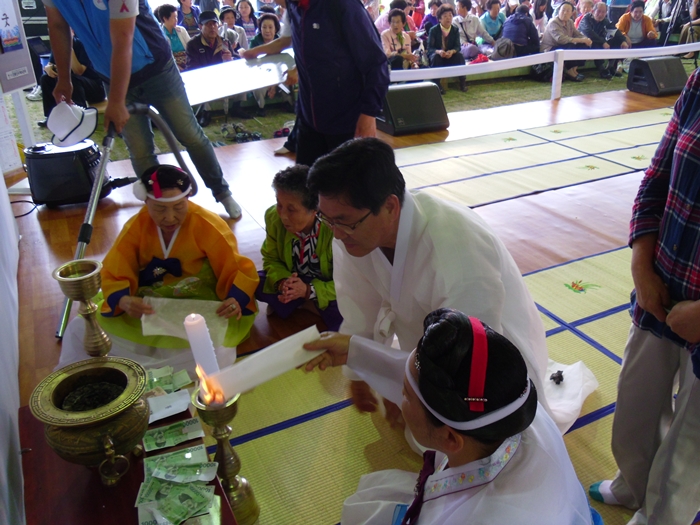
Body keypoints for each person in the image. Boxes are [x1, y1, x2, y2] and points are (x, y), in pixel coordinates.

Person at [305, 138, 585, 436]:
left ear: (389, 206)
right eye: (327, 219)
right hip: (427, 342)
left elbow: (472, 351)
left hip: (488, 353)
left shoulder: (456, 244)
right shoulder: (352, 234)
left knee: (452, 437)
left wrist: (385, 372)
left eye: (344, 222)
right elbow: (358, 308)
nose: (336, 234)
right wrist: (359, 373)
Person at [303, 309, 595, 525]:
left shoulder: (487, 517)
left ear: (451, 438)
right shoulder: (508, 404)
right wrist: (353, 350)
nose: (396, 397)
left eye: (404, 395)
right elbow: (423, 383)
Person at [589, 69, 700, 525]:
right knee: (635, 407)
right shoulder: (698, 85)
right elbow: (657, 176)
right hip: (661, 287)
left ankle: (662, 518)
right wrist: (641, 264)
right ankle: (633, 485)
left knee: (689, 449)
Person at [43, 0, 244, 219]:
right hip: (110, 74)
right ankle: (159, 205)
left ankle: (221, 192)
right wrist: (64, 79)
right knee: (139, 149)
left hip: (157, 69)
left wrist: (116, 101)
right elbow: (58, 26)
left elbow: (123, 39)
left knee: (189, 135)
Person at [57, 165, 259, 374]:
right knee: (80, 330)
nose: (170, 217)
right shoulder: (137, 226)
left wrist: (235, 299)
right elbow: (116, 268)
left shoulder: (208, 224)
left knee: (215, 351)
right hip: (150, 303)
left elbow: (237, 267)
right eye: (160, 209)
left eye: (179, 207)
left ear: (188, 198)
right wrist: (124, 300)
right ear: (146, 201)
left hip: (198, 301)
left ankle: (143, 372)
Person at [282, 0, 389, 167]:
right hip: (308, 121)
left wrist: (369, 113)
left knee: (345, 182)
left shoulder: (343, 5)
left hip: (346, 123)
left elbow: (376, 63)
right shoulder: (294, 6)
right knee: (305, 181)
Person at [256, 165, 342, 331]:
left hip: (324, 283)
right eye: (279, 204)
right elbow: (271, 258)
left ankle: (301, 303)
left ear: (314, 209)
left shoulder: (334, 228)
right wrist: (284, 283)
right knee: (255, 281)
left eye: (291, 209)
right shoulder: (273, 217)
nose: (282, 215)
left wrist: (309, 290)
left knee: (348, 307)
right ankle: (309, 304)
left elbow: (347, 280)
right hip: (293, 277)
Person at [36, 36, 105, 128]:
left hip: (95, 87)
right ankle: (51, 116)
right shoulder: (57, 45)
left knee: (72, 79)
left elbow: (79, 71)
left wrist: (69, 49)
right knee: (45, 78)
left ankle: (79, 117)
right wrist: (48, 68)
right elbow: (51, 64)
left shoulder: (82, 44)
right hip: (75, 83)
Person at [541, 1, 592, 81]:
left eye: (568, 11)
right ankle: (569, 71)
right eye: (563, 10)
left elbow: (577, 34)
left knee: (584, 45)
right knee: (570, 47)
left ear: (572, 13)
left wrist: (586, 39)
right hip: (550, 49)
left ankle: (574, 70)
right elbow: (560, 39)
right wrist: (580, 40)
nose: (565, 13)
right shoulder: (553, 22)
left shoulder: (570, 22)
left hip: (563, 46)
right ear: (559, 11)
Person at [249, 13, 288, 116]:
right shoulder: (254, 42)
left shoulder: (281, 42)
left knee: (287, 78)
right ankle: (261, 107)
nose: (267, 30)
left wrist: (273, 85)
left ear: (276, 29)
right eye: (264, 27)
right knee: (257, 85)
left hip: (278, 75)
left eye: (270, 27)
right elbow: (254, 66)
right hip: (261, 75)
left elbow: (283, 64)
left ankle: (287, 103)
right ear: (260, 29)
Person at [579, 2, 628, 78]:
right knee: (596, 43)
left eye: (603, 12)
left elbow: (614, 30)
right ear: (593, 11)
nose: (601, 14)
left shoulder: (605, 20)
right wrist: (603, 42)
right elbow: (589, 33)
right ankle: (602, 70)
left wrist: (623, 40)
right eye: (599, 11)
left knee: (617, 41)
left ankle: (610, 67)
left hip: (600, 41)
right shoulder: (586, 19)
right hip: (586, 43)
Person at [427, 4, 467, 93]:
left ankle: (463, 82)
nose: (448, 18)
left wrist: (452, 51)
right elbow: (430, 48)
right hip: (439, 57)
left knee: (460, 56)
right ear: (439, 19)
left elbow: (457, 46)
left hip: (450, 56)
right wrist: (439, 51)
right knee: (435, 57)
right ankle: (437, 84)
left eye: (450, 15)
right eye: (445, 16)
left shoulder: (455, 30)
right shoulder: (433, 30)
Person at [156, 4, 191, 71]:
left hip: (188, 62)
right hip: (172, 66)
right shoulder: (160, 35)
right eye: (174, 17)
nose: (176, 20)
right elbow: (164, 57)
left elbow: (191, 47)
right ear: (165, 18)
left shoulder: (182, 30)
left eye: (176, 17)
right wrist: (177, 67)